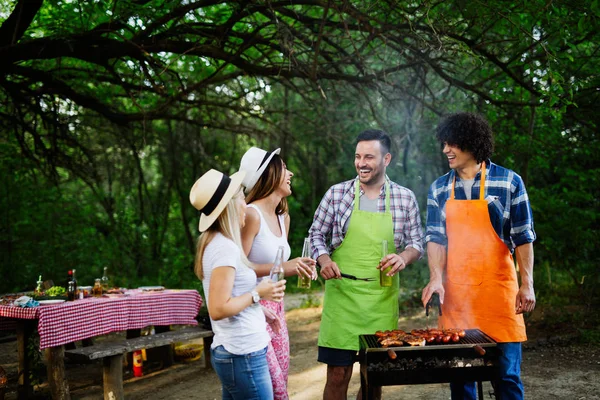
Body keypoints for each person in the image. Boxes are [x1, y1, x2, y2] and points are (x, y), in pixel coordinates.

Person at [421, 112, 536, 400]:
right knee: (461, 378)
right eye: (444, 143)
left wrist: (528, 283)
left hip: (500, 296)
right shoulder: (438, 188)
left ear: (472, 143)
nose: (446, 149)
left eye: (453, 143)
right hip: (457, 298)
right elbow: (435, 238)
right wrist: (436, 278)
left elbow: (523, 237)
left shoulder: (510, 182)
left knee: (507, 376)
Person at [309, 129, 424, 400]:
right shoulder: (337, 194)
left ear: (387, 159)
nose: (361, 162)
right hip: (342, 299)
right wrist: (324, 260)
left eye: (369, 157)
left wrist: (403, 257)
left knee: (374, 378)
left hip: (381, 300)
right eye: (358, 156)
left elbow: (417, 243)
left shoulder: (404, 198)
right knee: (338, 375)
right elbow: (316, 234)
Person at [190, 168, 287, 400]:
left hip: (239, 352)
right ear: (230, 206)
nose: (246, 204)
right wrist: (257, 293)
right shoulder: (224, 248)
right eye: (242, 198)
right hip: (242, 355)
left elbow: (231, 295)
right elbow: (218, 309)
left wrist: (259, 309)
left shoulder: (219, 243)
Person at [239, 146, 316, 400]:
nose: (291, 173)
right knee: (269, 387)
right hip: (252, 307)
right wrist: (285, 267)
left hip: (278, 307)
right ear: (269, 174)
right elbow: (236, 268)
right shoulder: (251, 215)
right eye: (284, 168)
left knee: (280, 380)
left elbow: (282, 265)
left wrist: (301, 267)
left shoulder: (284, 217)